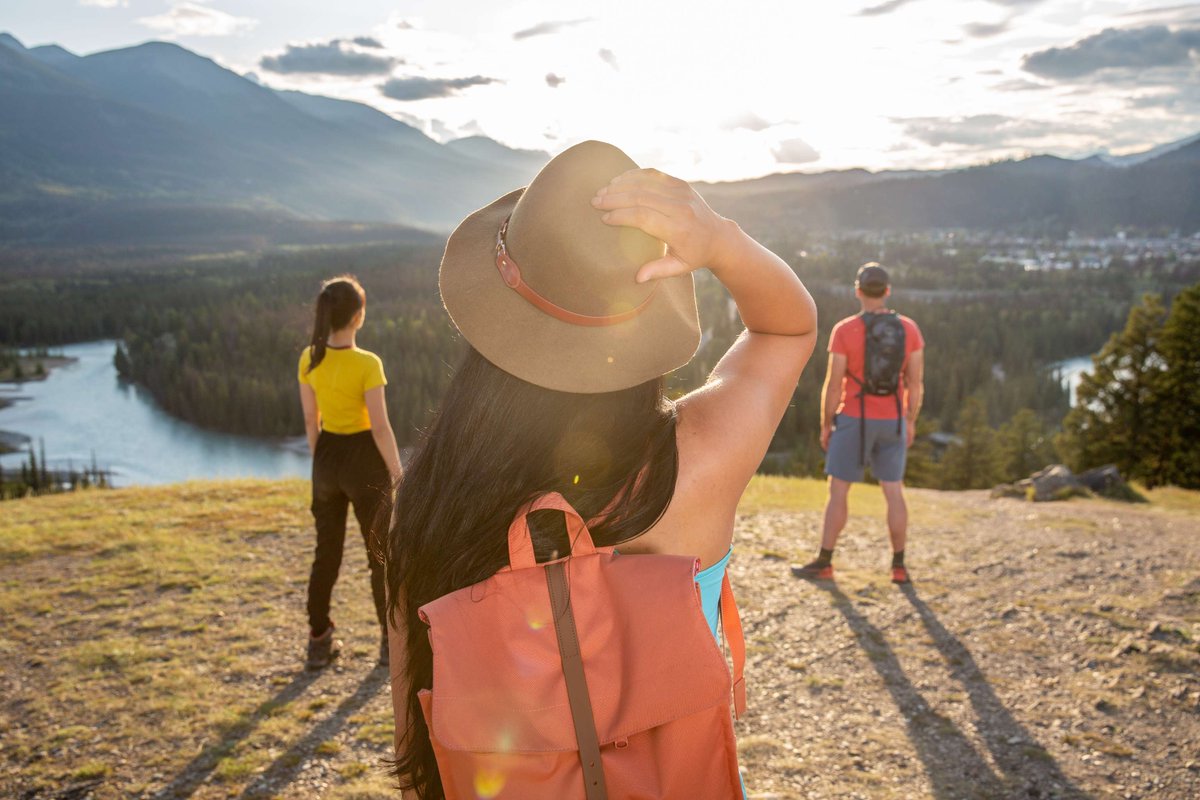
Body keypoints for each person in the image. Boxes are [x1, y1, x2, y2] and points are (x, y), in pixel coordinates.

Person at [383, 141, 818, 799]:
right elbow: (788, 330)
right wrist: (720, 241)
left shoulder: (429, 497)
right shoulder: (701, 460)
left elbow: (415, 707)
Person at [792, 263, 924, 584]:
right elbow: (916, 383)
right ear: (888, 291)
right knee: (894, 492)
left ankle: (824, 562)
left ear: (858, 292)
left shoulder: (845, 330)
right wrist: (909, 420)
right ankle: (899, 566)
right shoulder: (909, 329)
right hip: (892, 419)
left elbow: (834, 384)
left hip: (853, 418)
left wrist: (826, 423)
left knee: (839, 491)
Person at [298, 275, 403, 670]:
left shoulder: (310, 358)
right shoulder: (367, 363)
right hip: (364, 460)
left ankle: (319, 640)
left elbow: (311, 419)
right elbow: (380, 426)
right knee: (380, 555)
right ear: (358, 316)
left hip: (327, 456)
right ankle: (389, 644)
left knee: (327, 554)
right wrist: (397, 472)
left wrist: (321, 460)